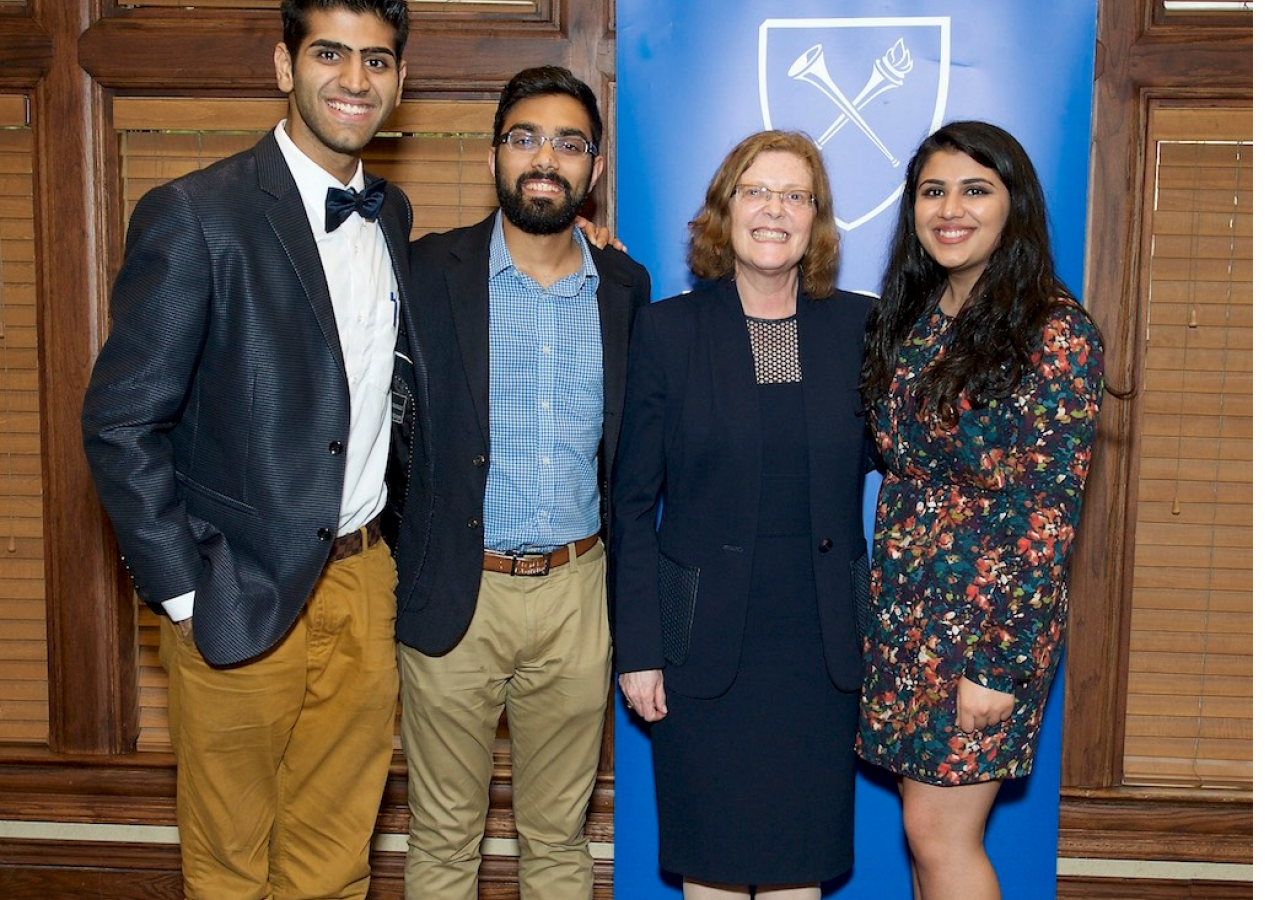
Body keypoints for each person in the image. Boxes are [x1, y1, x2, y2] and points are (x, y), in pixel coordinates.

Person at [80, 1, 410, 897]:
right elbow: (120, 421)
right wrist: (186, 591)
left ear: (399, 80)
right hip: (239, 586)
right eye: (330, 54)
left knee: (337, 860)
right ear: (283, 65)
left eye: (377, 61)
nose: (354, 79)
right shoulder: (194, 215)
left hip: (362, 581)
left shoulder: (393, 217)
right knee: (230, 869)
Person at [388, 65, 651, 900]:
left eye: (569, 144)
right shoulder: (423, 272)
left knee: (559, 841)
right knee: (441, 842)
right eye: (526, 138)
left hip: (578, 595)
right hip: (456, 590)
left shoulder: (625, 286)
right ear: (495, 154)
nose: (546, 159)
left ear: (594, 170)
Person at [613, 130, 875, 900]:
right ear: (724, 212)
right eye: (756, 191)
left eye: (795, 195)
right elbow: (631, 506)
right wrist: (639, 648)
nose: (774, 210)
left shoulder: (861, 330)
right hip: (702, 648)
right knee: (716, 874)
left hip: (819, 649)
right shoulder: (668, 332)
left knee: (799, 874)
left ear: (817, 220)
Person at [856, 120, 1105, 900]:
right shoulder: (923, 317)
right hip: (908, 616)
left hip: (985, 623)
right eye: (933, 191)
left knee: (940, 834)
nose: (949, 209)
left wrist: (999, 665)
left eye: (975, 189)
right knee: (924, 831)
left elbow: (1047, 514)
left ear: (1013, 204)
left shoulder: (1053, 331)